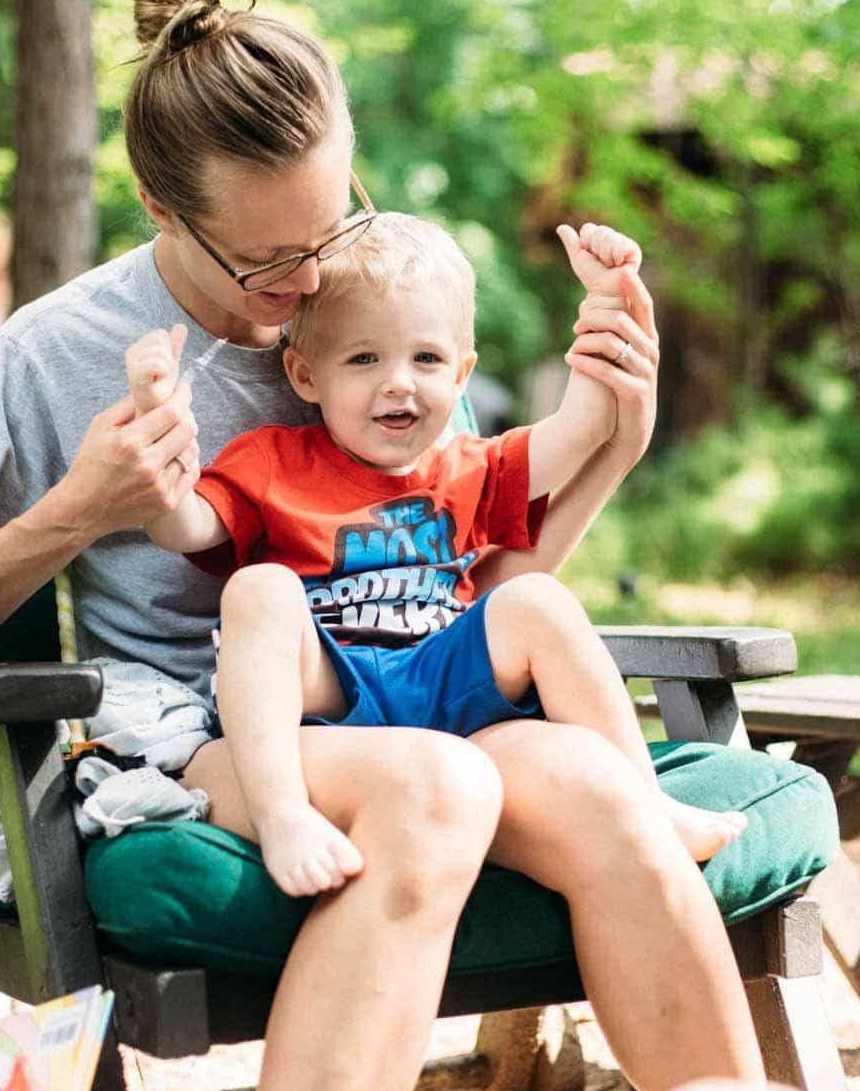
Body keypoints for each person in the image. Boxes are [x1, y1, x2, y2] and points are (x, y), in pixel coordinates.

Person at [0, 0, 768, 1091]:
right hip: (209, 734)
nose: (307, 291)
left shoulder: (378, 299)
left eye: (330, 228)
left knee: (598, 787)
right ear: (163, 217)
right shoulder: (53, 353)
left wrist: (616, 437)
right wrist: (77, 508)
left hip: (416, 696)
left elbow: (473, 573)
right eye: (265, 269)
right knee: (432, 788)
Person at [124, 212, 747, 898]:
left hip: (442, 670)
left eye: (426, 359)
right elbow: (180, 528)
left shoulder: (469, 464)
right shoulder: (273, 461)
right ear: (305, 375)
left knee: (535, 601)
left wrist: (606, 302)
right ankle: (282, 816)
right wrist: (158, 440)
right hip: (330, 688)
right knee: (259, 589)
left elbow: (584, 428)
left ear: (462, 373)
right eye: (363, 359)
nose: (399, 383)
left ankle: (643, 799)